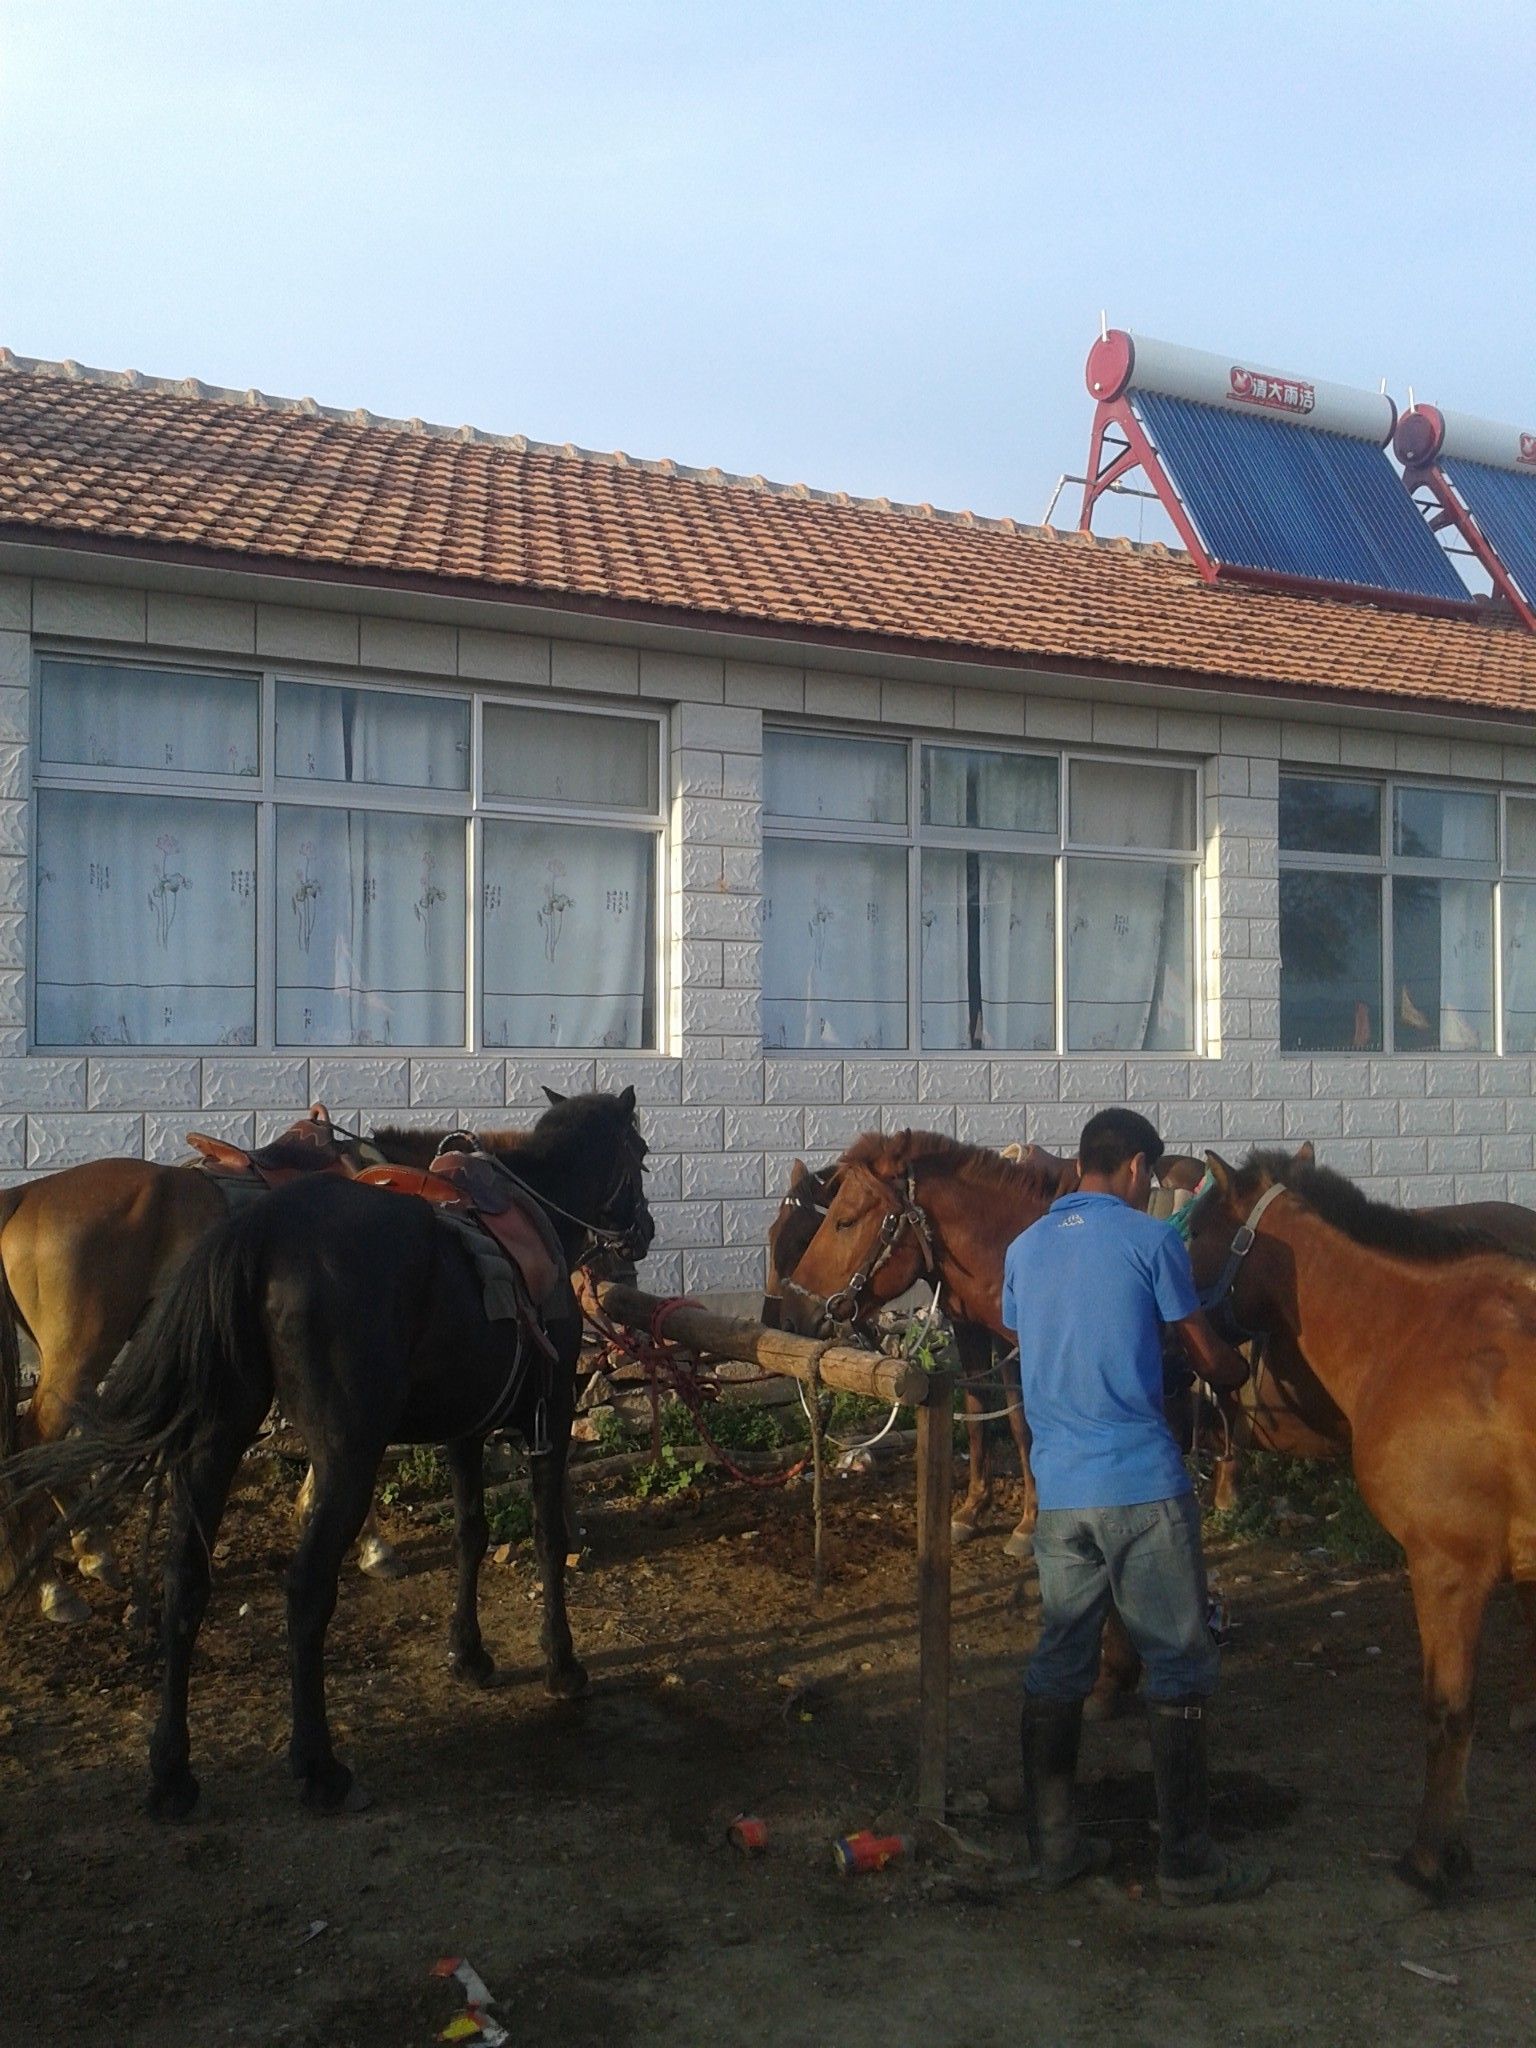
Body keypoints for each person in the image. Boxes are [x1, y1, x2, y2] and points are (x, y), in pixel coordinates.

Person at [1001, 1107, 1271, 1906]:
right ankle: (1187, 1862)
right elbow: (1200, 1349)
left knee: (1060, 1662)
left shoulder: (1024, 1249)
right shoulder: (1152, 1241)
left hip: (1060, 1499)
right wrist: (1236, 1370)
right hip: (1141, 1488)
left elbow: (1038, 1343)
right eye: (1149, 1176)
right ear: (1137, 1169)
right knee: (1179, 1663)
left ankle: (1053, 1848)